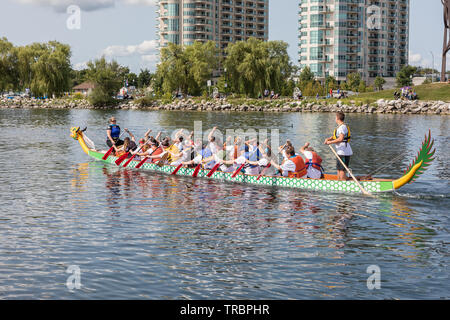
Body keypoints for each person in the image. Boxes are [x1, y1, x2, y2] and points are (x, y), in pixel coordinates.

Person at [324, 112, 352, 181]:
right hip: (341, 151)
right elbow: (336, 137)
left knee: (342, 169)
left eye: (335, 117)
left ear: (337, 118)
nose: (335, 119)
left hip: (344, 151)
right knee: (339, 168)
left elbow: (340, 139)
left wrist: (330, 142)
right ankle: (339, 181)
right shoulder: (340, 127)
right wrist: (329, 139)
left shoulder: (342, 127)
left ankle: (342, 182)